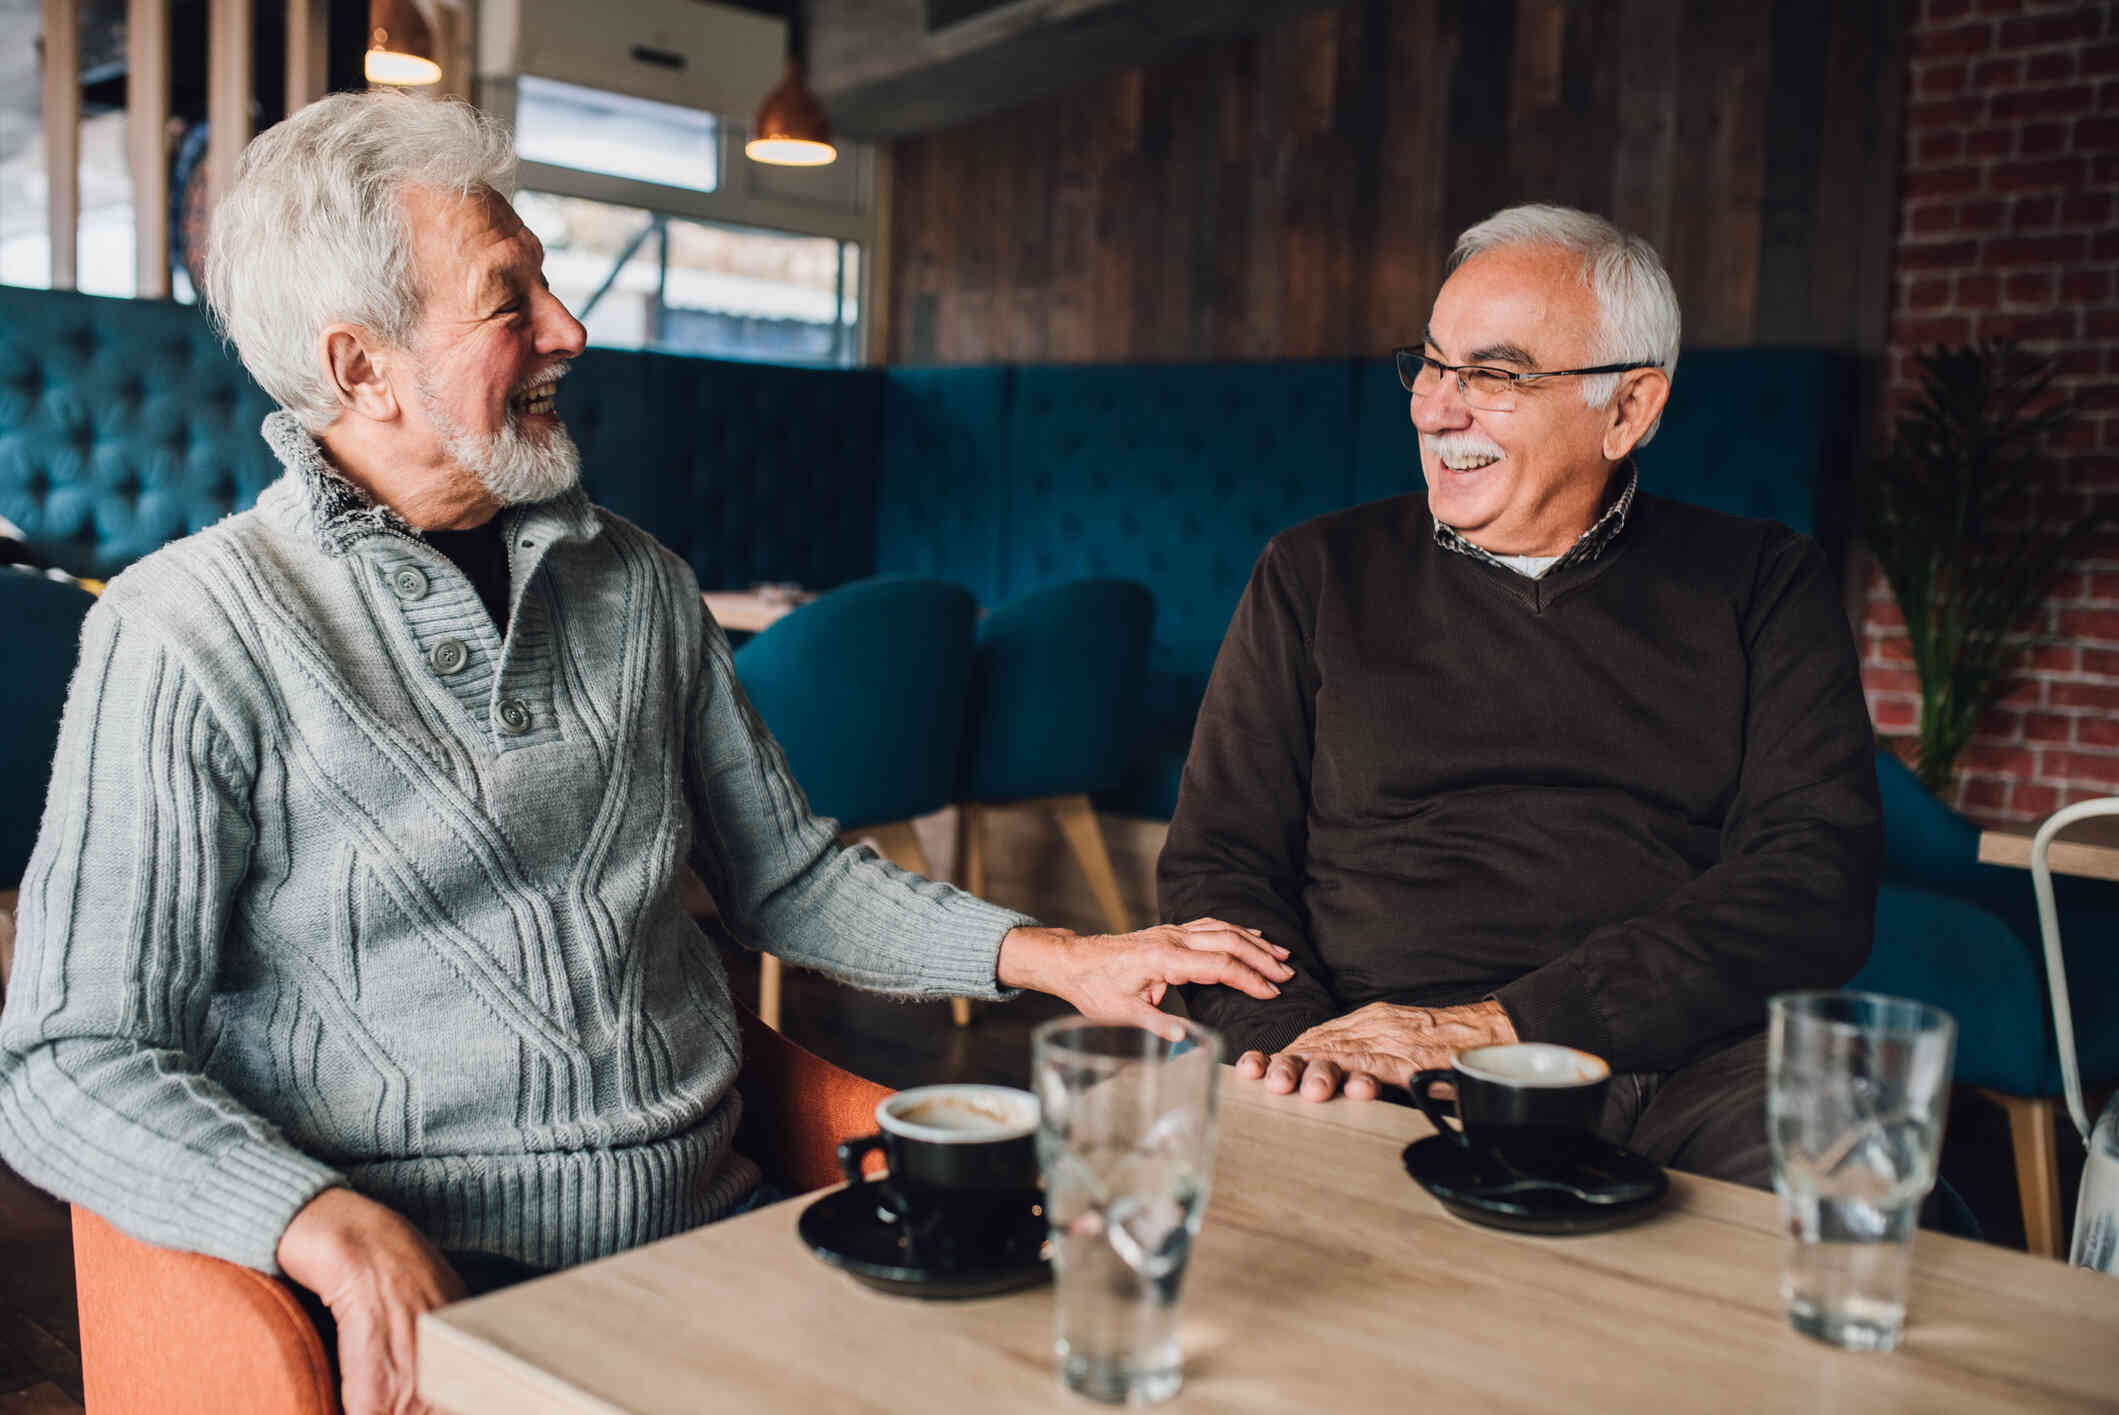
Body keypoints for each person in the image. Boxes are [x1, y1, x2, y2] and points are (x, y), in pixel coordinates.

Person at [0, 93, 1292, 1415]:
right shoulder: (187, 630)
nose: (570, 328)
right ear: (361, 365)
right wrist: (324, 1222)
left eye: (548, 280)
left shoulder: (638, 580)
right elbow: (70, 1058)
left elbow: (786, 876)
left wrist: (1061, 957)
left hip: (731, 1223)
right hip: (455, 1279)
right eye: (513, 302)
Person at [1159, 203, 1881, 1187]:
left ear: (1626, 409)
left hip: (1685, 1065)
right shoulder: (1315, 572)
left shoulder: (1761, 582)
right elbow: (1218, 865)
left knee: (1840, 1195)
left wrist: (1497, 1030)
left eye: (1493, 376)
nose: (1434, 408)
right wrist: (1307, 1052)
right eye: (1432, 364)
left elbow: (1814, 883)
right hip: (1374, 1053)